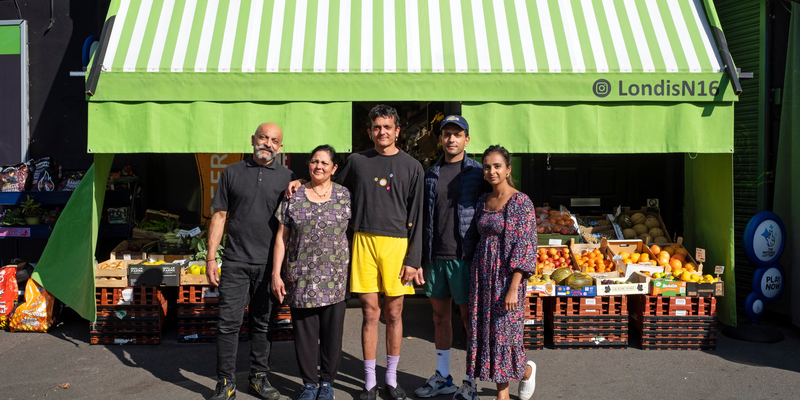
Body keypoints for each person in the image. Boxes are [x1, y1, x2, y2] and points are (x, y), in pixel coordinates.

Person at [287, 104, 425, 400]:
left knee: (395, 312)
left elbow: (419, 216)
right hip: (362, 241)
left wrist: (414, 259)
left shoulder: (413, 167)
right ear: (369, 131)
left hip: (397, 244)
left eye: (388, 127)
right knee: (370, 312)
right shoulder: (358, 161)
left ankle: (391, 378)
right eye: (377, 127)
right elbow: (327, 184)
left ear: (397, 131)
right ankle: (369, 382)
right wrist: (301, 181)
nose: (382, 132)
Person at [205, 123, 295, 400]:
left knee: (263, 323)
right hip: (235, 260)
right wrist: (211, 257)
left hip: (269, 264)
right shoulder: (231, 172)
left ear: (280, 147)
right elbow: (219, 216)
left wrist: (300, 182)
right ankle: (226, 382)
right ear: (253, 139)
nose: (267, 143)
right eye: (263, 138)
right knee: (228, 323)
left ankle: (258, 378)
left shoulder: (287, 177)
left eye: (274, 140)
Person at [414, 115, 487, 399]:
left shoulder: (478, 172)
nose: (451, 139)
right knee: (439, 317)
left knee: (469, 320)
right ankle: (443, 376)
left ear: (467, 139)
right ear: (441, 139)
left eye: (457, 134)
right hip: (436, 257)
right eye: (447, 134)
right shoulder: (430, 174)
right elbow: (422, 217)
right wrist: (420, 257)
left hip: (465, 257)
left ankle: (471, 380)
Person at [272, 145, 351, 400]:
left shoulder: (344, 195)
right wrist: (276, 273)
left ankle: (327, 383)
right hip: (301, 275)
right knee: (304, 335)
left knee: (332, 335)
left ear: (334, 168)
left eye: (324, 163)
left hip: (335, 278)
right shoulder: (293, 195)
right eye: (314, 161)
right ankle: (309, 384)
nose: (319, 166)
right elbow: (281, 238)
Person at [463, 145, 537, 400]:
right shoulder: (484, 200)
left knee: (504, 332)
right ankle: (516, 378)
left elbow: (525, 246)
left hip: (506, 276)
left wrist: (514, 287)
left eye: (497, 166)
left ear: (508, 169)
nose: (491, 171)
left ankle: (509, 387)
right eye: (487, 166)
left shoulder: (520, 201)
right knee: (488, 332)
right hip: (482, 274)